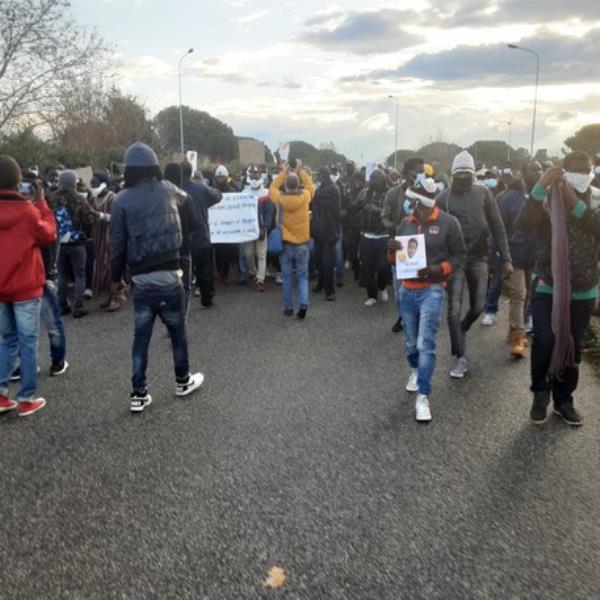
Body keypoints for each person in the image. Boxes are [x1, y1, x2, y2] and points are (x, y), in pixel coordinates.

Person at [110, 142, 204, 412]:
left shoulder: (121, 200)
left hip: (141, 281)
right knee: (177, 334)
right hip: (171, 276)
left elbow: (117, 247)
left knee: (141, 339)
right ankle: (182, 381)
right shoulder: (168, 190)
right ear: (154, 166)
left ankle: (138, 394)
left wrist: (116, 280)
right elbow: (185, 198)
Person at [516, 152, 600, 426]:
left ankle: (564, 400)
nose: (582, 175)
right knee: (545, 340)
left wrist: (575, 204)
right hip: (548, 285)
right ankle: (541, 393)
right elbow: (522, 224)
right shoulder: (547, 201)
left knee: (572, 346)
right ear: (564, 173)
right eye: (575, 171)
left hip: (583, 290)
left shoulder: (596, 199)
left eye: (586, 170)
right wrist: (541, 185)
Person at [388, 178, 466, 421]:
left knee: (426, 343)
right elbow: (394, 260)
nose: (406, 205)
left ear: (421, 203)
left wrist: (440, 269)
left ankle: (423, 396)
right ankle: (415, 370)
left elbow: (460, 256)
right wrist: (390, 250)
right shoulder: (404, 223)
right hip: (406, 291)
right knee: (411, 343)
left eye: (410, 201)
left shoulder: (448, 223)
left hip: (431, 290)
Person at [437, 150, 513, 378]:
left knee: (478, 306)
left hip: (480, 257)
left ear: (473, 174)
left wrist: (507, 258)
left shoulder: (484, 193)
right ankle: (459, 356)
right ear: (452, 174)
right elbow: (436, 234)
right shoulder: (443, 199)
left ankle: (462, 329)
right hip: (454, 260)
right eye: (459, 174)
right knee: (453, 309)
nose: (463, 178)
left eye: (467, 174)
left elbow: (498, 226)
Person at [0, 155, 57, 417]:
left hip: (1, 288)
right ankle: (26, 398)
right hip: (25, 286)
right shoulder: (27, 211)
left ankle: (1, 395)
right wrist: (42, 201)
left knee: (7, 340)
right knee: (28, 341)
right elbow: (49, 233)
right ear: (17, 181)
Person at [493, 162, 541, 358]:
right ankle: (518, 338)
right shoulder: (507, 198)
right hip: (514, 256)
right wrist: (500, 257)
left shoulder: (545, 196)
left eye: (540, 169)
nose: (538, 173)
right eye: (533, 169)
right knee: (518, 294)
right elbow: (498, 227)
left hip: (536, 256)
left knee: (529, 294)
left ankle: (513, 329)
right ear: (522, 173)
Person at [50, 170, 110, 318]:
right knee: (79, 274)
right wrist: (105, 216)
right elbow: (90, 217)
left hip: (59, 243)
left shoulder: (51, 198)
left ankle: (62, 305)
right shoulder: (78, 198)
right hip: (77, 242)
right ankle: (78, 306)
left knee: (62, 275)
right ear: (73, 182)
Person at [383, 157, 426, 330]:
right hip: (400, 247)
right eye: (419, 171)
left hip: (421, 247)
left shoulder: (426, 194)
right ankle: (403, 317)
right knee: (400, 288)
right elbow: (384, 216)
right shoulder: (393, 194)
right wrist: (396, 228)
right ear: (408, 173)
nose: (422, 174)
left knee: (422, 286)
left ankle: (417, 318)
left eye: (424, 171)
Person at [269, 161, 315, 318]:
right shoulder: (305, 197)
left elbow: (272, 188)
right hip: (302, 244)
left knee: (287, 277)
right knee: (302, 277)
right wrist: (300, 171)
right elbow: (311, 187)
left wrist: (283, 172)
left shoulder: (279, 199)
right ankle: (303, 304)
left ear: (286, 186)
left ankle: (288, 307)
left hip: (286, 244)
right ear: (298, 185)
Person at [179, 161, 222, 308]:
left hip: (182, 239)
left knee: (183, 273)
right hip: (202, 236)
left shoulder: (174, 191)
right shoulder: (201, 189)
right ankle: (207, 298)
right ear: (191, 173)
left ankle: (182, 302)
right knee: (206, 270)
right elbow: (218, 196)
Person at [163, 163, 201, 317]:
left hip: (164, 251)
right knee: (184, 286)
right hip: (183, 247)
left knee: (167, 286)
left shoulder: (158, 198)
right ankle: (179, 323)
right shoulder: (185, 198)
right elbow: (195, 223)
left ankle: (169, 319)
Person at [357, 169, 390, 306]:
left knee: (383, 266)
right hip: (367, 235)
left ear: (382, 180)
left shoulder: (389, 194)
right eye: (370, 178)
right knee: (367, 267)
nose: (371, 181)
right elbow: (357, 206)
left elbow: (390, 212)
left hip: (383, 236)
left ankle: (382, 287)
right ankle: (372, 295)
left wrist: (376, 210)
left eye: (374, 178)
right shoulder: (366, 193)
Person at [243, 165, 275, 292]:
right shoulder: (244, 193)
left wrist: (265, 227)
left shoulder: (266, 193)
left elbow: (269, 212)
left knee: (262, 254)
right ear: (249, 177)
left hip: (261, 229)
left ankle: (260, 280)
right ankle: (254, 272)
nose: (254, 178)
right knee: (248, 254)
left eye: (256, 175)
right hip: (248, 230)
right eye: (252, 176)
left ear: (260, 176)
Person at [312, 167, 341, 301]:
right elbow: (314, 202)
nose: (321, 176)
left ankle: (330, 290)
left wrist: (315, 193)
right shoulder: (321, 188)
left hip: (330, 229)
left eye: (321, 174)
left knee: (328, 262)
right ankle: (321, 283)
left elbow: (317, 197)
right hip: (319, 229)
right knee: (318, 258)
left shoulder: (332, 189)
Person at [213, 165, 239, 284]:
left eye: (222, 177)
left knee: (227, 252)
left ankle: (225, 274)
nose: (220, 179)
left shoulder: (232, 190)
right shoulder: (212, 190)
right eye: (218, 177)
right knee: (218, 252)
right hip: (217, 226)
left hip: (228, 226)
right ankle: (220, 273)